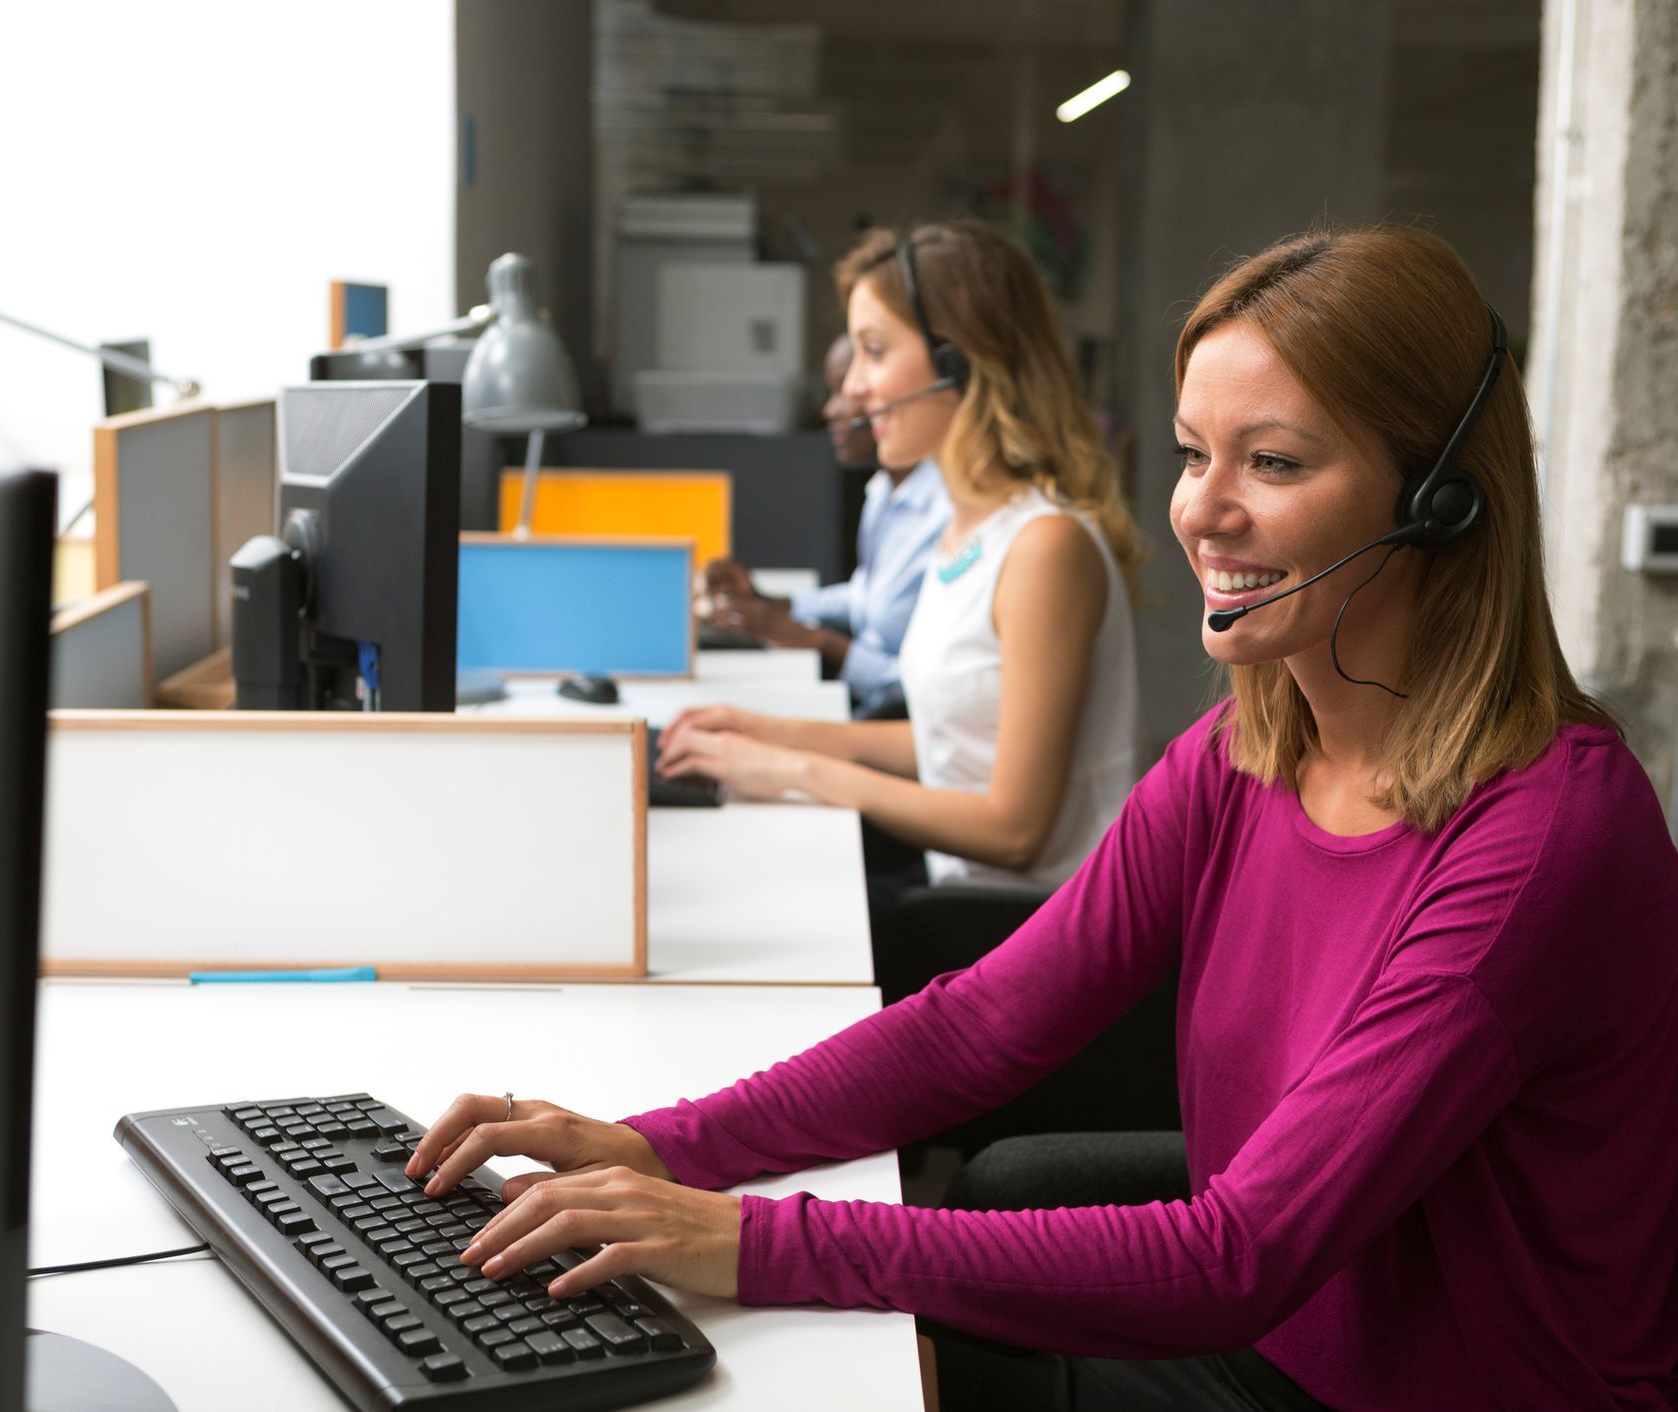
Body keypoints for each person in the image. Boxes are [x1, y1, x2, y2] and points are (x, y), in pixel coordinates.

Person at [403, 227, 1678, 1410]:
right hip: (1305, 1326)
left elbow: (1239, 1253)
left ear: (1439, 500)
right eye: (1192, 452)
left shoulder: (1537, 839)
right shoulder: (1245, 748)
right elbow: (988, 1022)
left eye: (1274, 462)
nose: (1202, 510)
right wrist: (661, 1143)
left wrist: (749, 1236)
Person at [661, 222, 1146, 894]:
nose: (854, 387)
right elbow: (952, 745)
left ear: (959, 361)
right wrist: (761, 733)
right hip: (968, 904)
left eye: (875, 351)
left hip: (1030, 935)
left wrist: (795, 772)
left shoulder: (1045, 548)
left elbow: (1014, 829)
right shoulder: (964, 527)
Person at [701, 333, 949, 718]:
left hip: (898, 722)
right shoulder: (886, 489)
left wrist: (818, 641)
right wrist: (770, 604)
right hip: (869, 710)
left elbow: (921, 693)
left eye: (844, 391)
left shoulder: (947, 512)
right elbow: (868, 597)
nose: (832, 409)